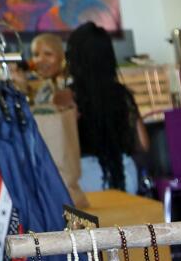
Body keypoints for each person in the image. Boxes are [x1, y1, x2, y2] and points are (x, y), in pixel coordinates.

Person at [63, 22, 149, 195]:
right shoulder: (122, 95)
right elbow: (143, 144)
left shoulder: (67, 96)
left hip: (84, 179)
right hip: (125, 176)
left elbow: (63, 146)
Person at [22, 32, 67, 106]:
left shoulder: (73, 88)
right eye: (36, 55)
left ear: (62, 57)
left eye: (48, 54)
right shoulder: (45, 88)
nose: (40, 60)